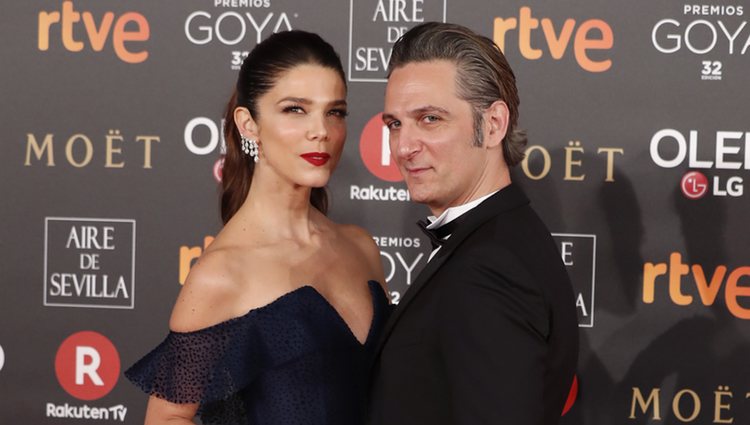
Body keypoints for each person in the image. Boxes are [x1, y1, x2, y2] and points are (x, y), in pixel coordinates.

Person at [126, 30, 388, 425]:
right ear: (249, 124)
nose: (322, 130)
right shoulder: (221, 275)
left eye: (335, 111)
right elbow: (167, 419)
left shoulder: (361, 247)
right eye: (295, 109)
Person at [368, 22, 578, 425]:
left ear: (494, 124)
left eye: (430, 119)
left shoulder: (490, 267)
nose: (403, 146)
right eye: (395, 123)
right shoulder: (502, 239)